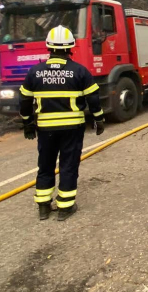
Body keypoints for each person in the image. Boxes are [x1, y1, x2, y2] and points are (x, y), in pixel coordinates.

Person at [19, 25, 105, 222]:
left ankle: (43, 207)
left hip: (45, 129)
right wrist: (99, 119)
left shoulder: (35, 72)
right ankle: (65, 207)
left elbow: (24, 101)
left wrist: (27, 123)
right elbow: (93, 99)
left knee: (45, 164)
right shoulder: (79, 71)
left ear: (48, 47)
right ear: (70, 48)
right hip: (72, 129)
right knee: (68, 164)